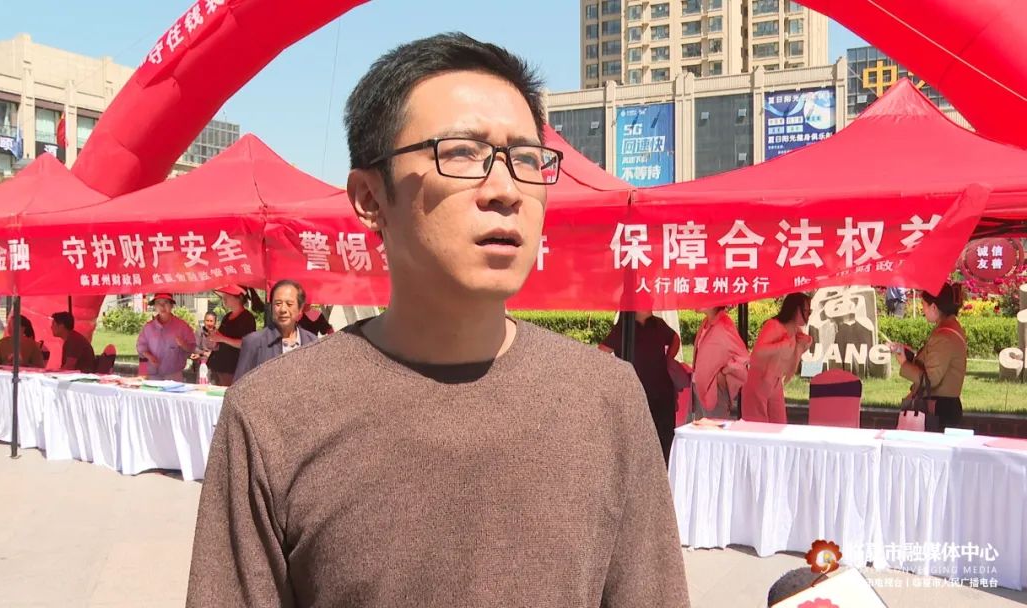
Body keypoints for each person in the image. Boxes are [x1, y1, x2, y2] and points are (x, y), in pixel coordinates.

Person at [187, 33, 689, 607]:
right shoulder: (272, 416)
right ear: (370, 197)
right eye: (462, 153)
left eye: (527, 159)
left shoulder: (606, 399)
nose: (506, 190)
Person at [599, 311, 681, 467]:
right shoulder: (624, 328)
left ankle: (664, 471)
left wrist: (668, 359)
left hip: (661, 390)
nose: (651, 301)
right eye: (645, 300)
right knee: (639, 438)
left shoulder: (658, 324)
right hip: (635, 393)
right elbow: (601, 351)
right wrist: (618, 373)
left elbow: (675, 339)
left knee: (664, 435)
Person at [890, 282, 967, 431]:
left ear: (934, 307)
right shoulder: (948, 329)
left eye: (924, 305)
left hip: (938, 410)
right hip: (943, 407)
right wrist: (909, 355)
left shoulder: (944, 336)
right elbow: (931, 363)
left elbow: (931, 380)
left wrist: (904, 363)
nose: (922, 309)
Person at [742, 293, 813, 423]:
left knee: (779, 424)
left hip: (776, 382)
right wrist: (781, 345)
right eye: (805, 310)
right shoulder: (773, 325)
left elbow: (792, 358)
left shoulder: (796, 331)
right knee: (757, 427)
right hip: (759, 380)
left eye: (810, 311)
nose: (808, 314)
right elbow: (757, 353)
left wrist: (804, 345)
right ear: (795, 310)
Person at [233, 280, 317, 382]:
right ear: (271, 307)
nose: (283, 309)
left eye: (289, 304)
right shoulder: (253, 342)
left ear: (300, 309)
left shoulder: (313, 342)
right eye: (278, 303)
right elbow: (238, 387)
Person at [692, 306, 749, 419]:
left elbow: (743, 356)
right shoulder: (706, 322)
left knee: (715, 427)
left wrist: (724, 371)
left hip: (714, 390)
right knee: (700, 428)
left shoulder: (724, 324)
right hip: (699, 386)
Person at [206, 285, 260, 386]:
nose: (224, 299)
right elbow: (220, 339)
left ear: (239, 298)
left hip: (233, 369)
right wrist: (214, 340)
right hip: (217, 366)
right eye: (223, 297)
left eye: (227, 296)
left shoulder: (247, 318)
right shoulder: (227, 316)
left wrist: (222, 338)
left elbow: (246, 344)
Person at [136, 293, 196, 381]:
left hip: (173, 375)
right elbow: (141, 348)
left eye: (166, 302)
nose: (162, 306)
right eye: (158, 303)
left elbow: (192, 347)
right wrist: (149, 356)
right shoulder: (148, 327)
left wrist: (183, 344)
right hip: (152, 375)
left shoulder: (182, 326)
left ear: (171, 305)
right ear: (155, 306)